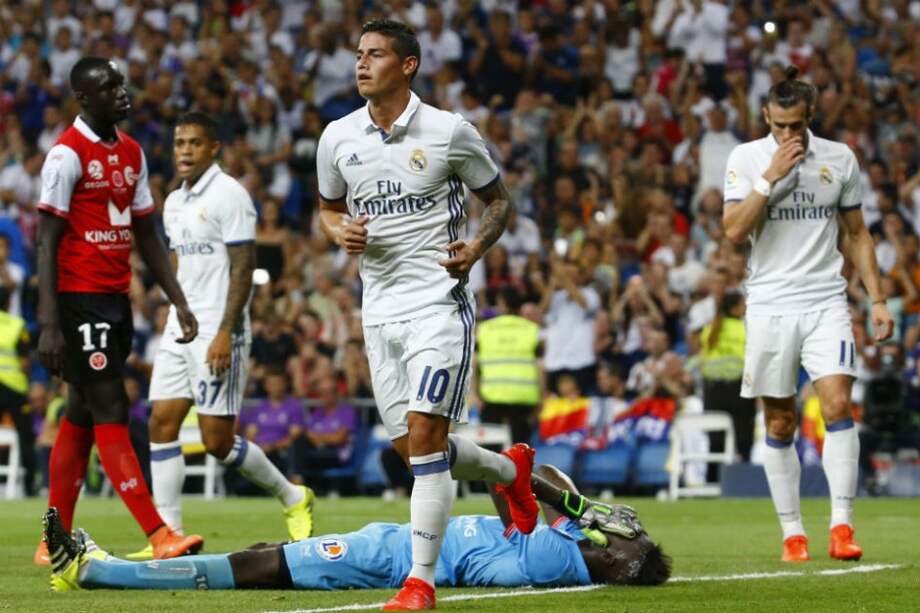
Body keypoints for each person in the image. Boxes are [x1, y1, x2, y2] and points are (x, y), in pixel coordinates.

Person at [316, 19, 536, 610]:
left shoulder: (448, 132)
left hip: (438, 303)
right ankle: (511, 473)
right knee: (413, 451)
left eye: (376, 55)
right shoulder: (338, 137)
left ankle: (421, 582)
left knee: (426, 438)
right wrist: (343, 231)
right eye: (358, 54)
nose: (361, 64)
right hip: (378, 310)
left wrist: (476, 247)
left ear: (407, 65)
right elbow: (328, 209)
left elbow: (498, 203)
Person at [722, 66, 894, 563]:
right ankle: (793, 533)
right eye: (779, 125)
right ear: (765, 117)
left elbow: (858, 235)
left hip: (826, 300)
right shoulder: (747, 157)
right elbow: (733, 231)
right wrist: (769, 177)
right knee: (780, 424)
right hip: (771, 304)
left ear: (810, 117)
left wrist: (878, 299)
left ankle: (842, 527)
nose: (787, 134)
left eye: (796, 126)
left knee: (838, 405)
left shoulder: (839, 158)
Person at [35, 57, 202, 565]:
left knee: (82, 413)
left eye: (121, 84)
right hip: (78, 300)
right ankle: (158, 533)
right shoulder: (65, 156)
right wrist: (49, 323)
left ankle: (51, 539)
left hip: (115, 298)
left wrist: (177, 297)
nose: (122, 93)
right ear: (84, 99)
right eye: (109, 88)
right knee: (112, 407)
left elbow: (146, 232)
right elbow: (46, 241)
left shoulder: (131, 152)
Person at [44, 464, 671, 593]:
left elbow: (513, 482)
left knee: (262, 568)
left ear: (618, 564)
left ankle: (100, 572)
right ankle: (107, 567)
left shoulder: (556, 561)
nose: (623, 528)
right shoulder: (569, 546)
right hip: (396, 542)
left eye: (628, 537)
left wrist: (581, 511)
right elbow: (539, 479)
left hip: (390, 558)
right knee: (267, 552)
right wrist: (582, 513)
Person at [142, 112, 313, 560]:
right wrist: (174, 309)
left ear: (213, 148)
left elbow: (242, 267)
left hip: (220, 328)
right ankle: (168, 536)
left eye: (195, 143)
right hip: (181, 326)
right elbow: (181, 263)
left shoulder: (230, 195)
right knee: (161, 421)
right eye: (179, 143)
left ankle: (293, 496)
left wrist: (224, 332)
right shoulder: (173, 201)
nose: (184, 151)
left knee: (217, 440)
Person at [0, 286, 35, 494]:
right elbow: (24, 363)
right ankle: (30, 487)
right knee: (25, 437)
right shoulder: (17, 325)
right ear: (8, 303)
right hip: (13, 387)